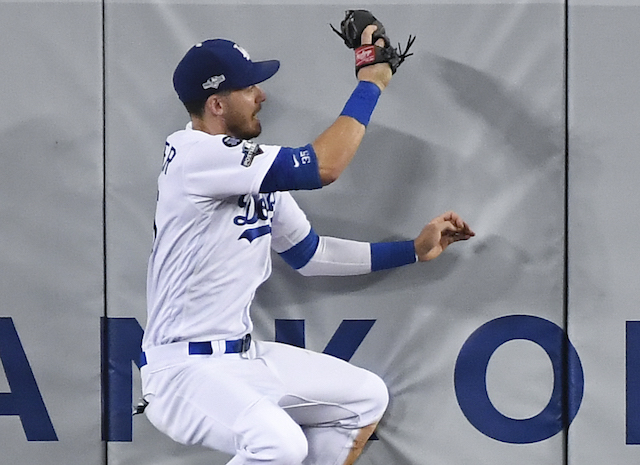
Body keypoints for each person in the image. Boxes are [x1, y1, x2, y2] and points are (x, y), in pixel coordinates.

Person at [140, 25, 474, 465]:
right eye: (248, 87)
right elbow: (324, 165)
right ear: (217, 103)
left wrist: (411, 249)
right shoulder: (194, 156)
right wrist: (370, 83)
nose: (261, 95)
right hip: (182, 371)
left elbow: (310, 255)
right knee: (280, 445)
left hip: (239, 357)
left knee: (364, 399)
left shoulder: (246, 171)